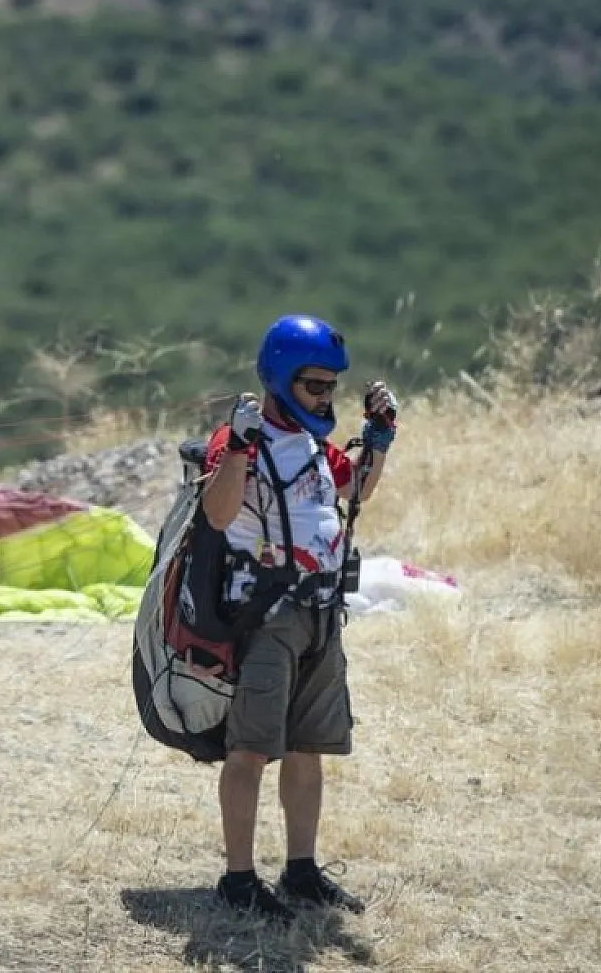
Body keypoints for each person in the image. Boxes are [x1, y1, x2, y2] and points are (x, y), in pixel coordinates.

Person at [200, 313, 398, 921]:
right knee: (252, 750)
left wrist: (379, 438)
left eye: (331, 386)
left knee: (309, 746)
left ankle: (302, 871)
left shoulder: (313, 447)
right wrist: (236, 449)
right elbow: (217, 512)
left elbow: (355, 489)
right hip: (266, 614)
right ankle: (238, 880)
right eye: (315, 385)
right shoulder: (242, 441)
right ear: (283, 380)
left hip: (320, 612)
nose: (325, 396)